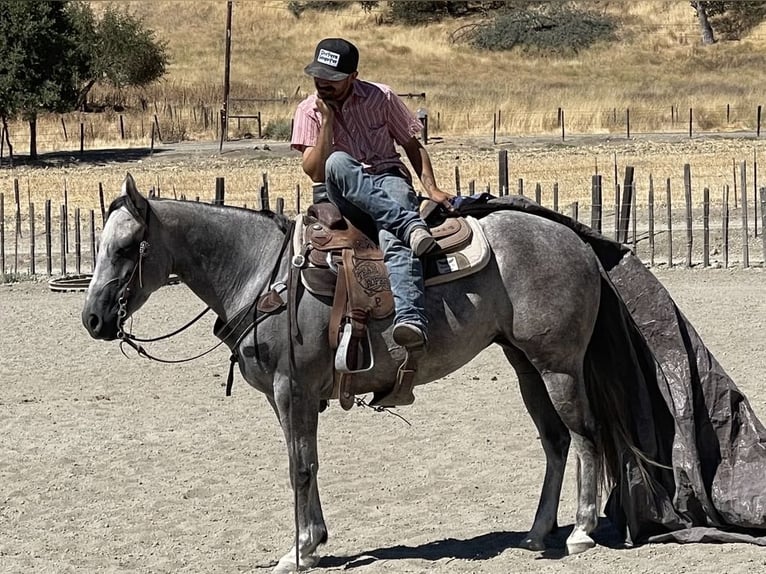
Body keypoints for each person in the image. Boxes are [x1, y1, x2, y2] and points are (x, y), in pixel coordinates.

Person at [291, 37, 453, 349]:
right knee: (337, 160)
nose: (322, 83)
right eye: (318, 74)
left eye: (333, 78)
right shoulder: (308, 110)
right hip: (341, 191)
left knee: (392, 237)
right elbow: (315, 171)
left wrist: (430, 189)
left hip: (387, 177)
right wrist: (327, 122)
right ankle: (409, 224)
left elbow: (411, 144)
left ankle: (410, 319)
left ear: (353, 76)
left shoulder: (382, 97)